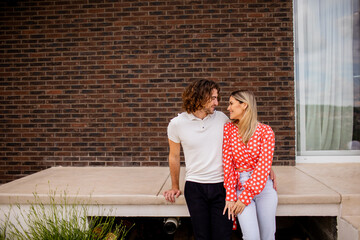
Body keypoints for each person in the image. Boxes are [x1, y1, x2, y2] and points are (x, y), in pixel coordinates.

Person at [163, 79, 234, 239]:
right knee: (202, 236)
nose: (217, 102)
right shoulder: (176, 124)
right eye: (213, 98)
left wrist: (265, 166)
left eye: (217, 98)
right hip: (195, 187)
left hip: (222, 187)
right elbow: (174, 156)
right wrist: (175, 186)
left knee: (223, 236)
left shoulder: (222, 119)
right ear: (200, 97)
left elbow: (242, 144)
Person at [222, 90, 278, 240]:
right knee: (251, 236)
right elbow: (228, 163)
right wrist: (231, 196)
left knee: (268, 235)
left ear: (244, 105)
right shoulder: (229, 129)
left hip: (264, 188)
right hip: (240, 185)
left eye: (231, 104)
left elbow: (263, 167)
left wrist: (246, 196)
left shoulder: (266, 131)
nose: (228, 108)